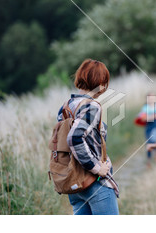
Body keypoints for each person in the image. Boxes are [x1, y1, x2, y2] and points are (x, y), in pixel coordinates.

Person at [57, 59, 119, 215]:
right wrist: (97, 168)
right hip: (94, 183)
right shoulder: (92, 106)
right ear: (101, 83)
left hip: (75, 182)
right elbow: (74, 138)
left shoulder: (67, 106)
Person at [139, 93, 156, 159]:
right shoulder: (145, 107)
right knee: (148, 142)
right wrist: (153, 116)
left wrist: (149, 117)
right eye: (150, 98)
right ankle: (149, 159)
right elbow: (143, 118)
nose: (151, 100)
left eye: (153, 98)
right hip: (148, 126)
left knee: (153, 139)